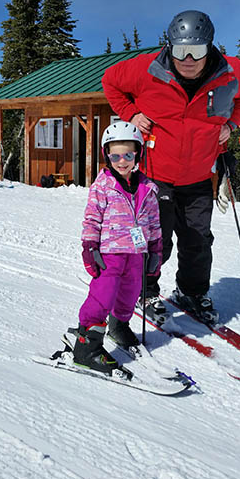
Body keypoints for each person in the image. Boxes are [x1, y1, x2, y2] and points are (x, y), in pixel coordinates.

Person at [102, 10, 240, 324]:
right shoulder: (146, 69)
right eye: (180, 50)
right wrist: (131, 113)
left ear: (210, 48)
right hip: (154, 175)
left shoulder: (232, 73)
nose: (188, 59)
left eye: (197, 51)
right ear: (169, 46)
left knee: (198, 240)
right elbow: (110, 82)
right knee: (155, 239)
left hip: (199, 176)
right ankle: (143, 292)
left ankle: (191, 292)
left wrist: (231, 122)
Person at [73, 120, 162, 374]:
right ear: (107, 155)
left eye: (128, 155)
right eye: (115, 155)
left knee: (130, 293)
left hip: (137, 253)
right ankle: (86, 345)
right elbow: (91, 219)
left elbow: (154, 222)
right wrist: (90, 247)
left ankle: (119, 326)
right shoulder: (102, 186)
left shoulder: (148, 188)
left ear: (138, 155)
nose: (122, 161)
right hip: (109, 253)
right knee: (103, 295)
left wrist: (155, 249)